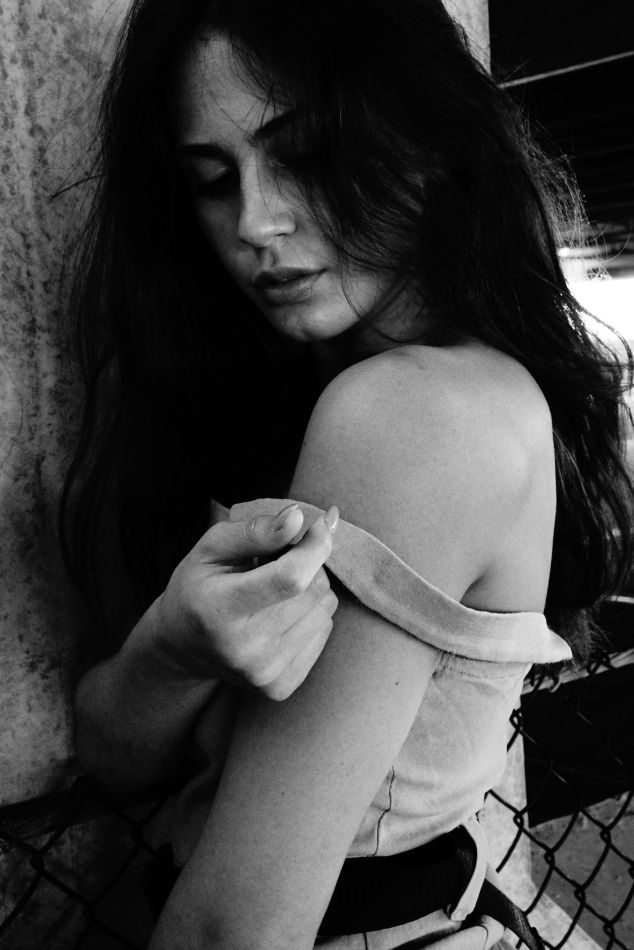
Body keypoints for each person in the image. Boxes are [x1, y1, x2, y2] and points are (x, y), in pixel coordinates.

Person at [63, 1, 634, 948]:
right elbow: (111, 756)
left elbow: (235, 930)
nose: (255, 222)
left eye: (306, 154)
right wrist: (174, 649)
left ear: (429, 144)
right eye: (212, 180)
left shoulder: (410, 412)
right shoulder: (312, 392)